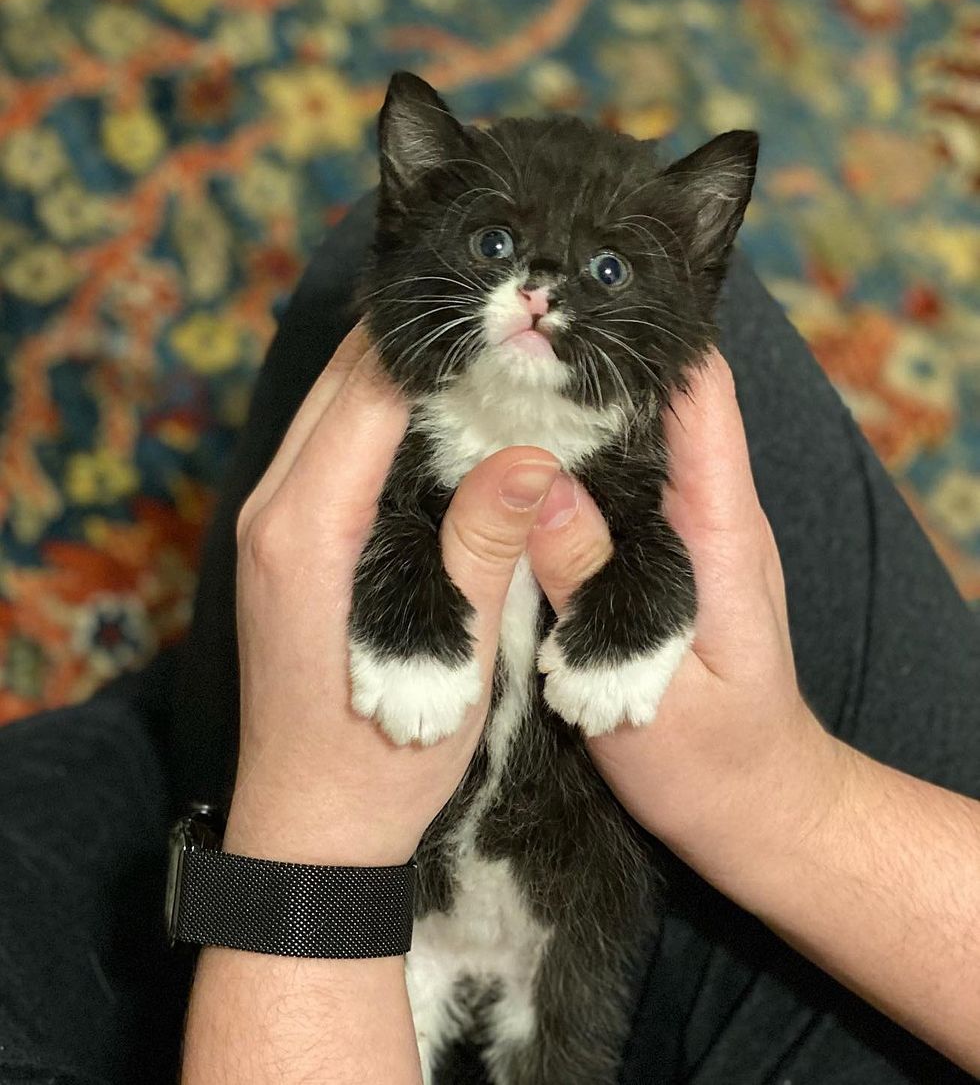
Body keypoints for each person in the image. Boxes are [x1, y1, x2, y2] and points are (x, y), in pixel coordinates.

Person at [1, 196, 977, 1085]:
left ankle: (199, 717)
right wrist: (779, 796)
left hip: (403, 923)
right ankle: (198, 712)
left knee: (375, 279)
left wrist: (308, 853)